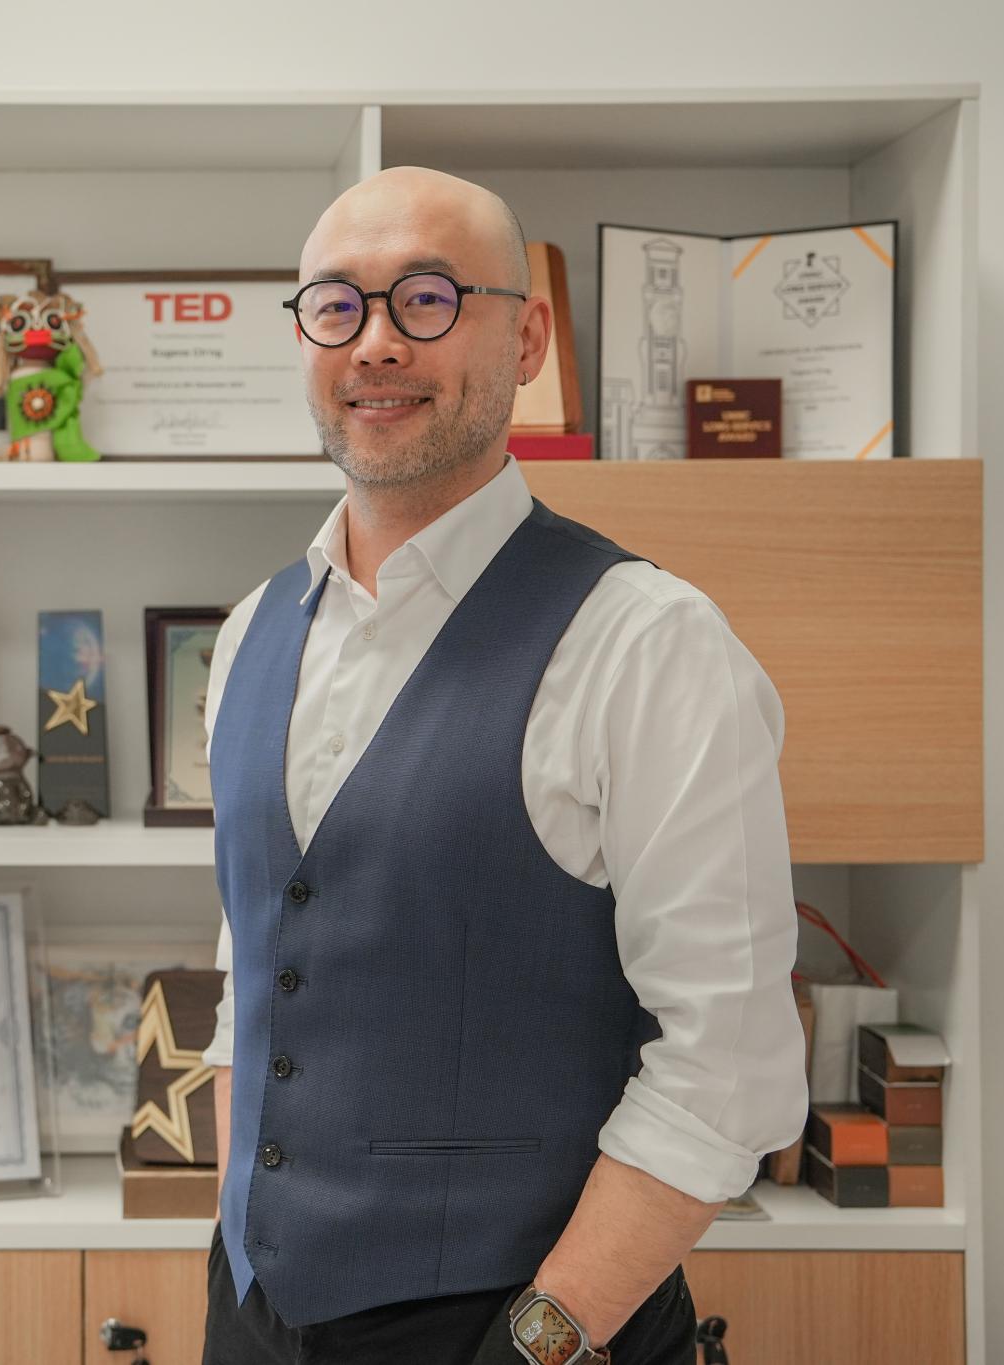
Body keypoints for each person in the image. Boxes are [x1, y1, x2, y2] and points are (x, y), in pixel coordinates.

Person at [198, 167, 808, 1365]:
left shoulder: (646, 640)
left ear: (525, 340)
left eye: (426, 298)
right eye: (335, 305)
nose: (374, 343)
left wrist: (541, 1341)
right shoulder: (245, 633)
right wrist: (239, 1258)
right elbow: (250, 982)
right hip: (257, 1317)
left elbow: (728, 1068)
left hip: (525, 1329)